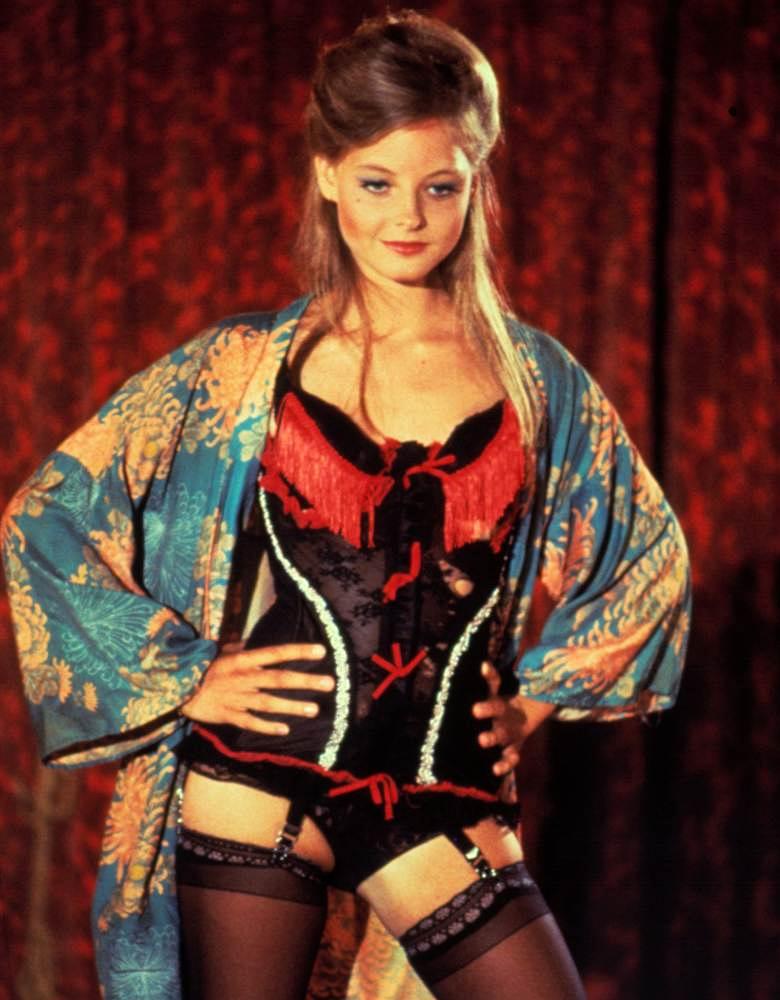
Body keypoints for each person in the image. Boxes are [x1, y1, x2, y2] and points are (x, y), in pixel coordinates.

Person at [1, 10, 690, 1000]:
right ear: (327, 175)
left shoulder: (537, 381)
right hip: (253, 786)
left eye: (440, 186)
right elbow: (47, 517)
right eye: (376, 183)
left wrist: (535, 699)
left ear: (476, 182)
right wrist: (187, 675)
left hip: (439, 794)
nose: (408, 216)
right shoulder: (238, 369)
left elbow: (647, 556)